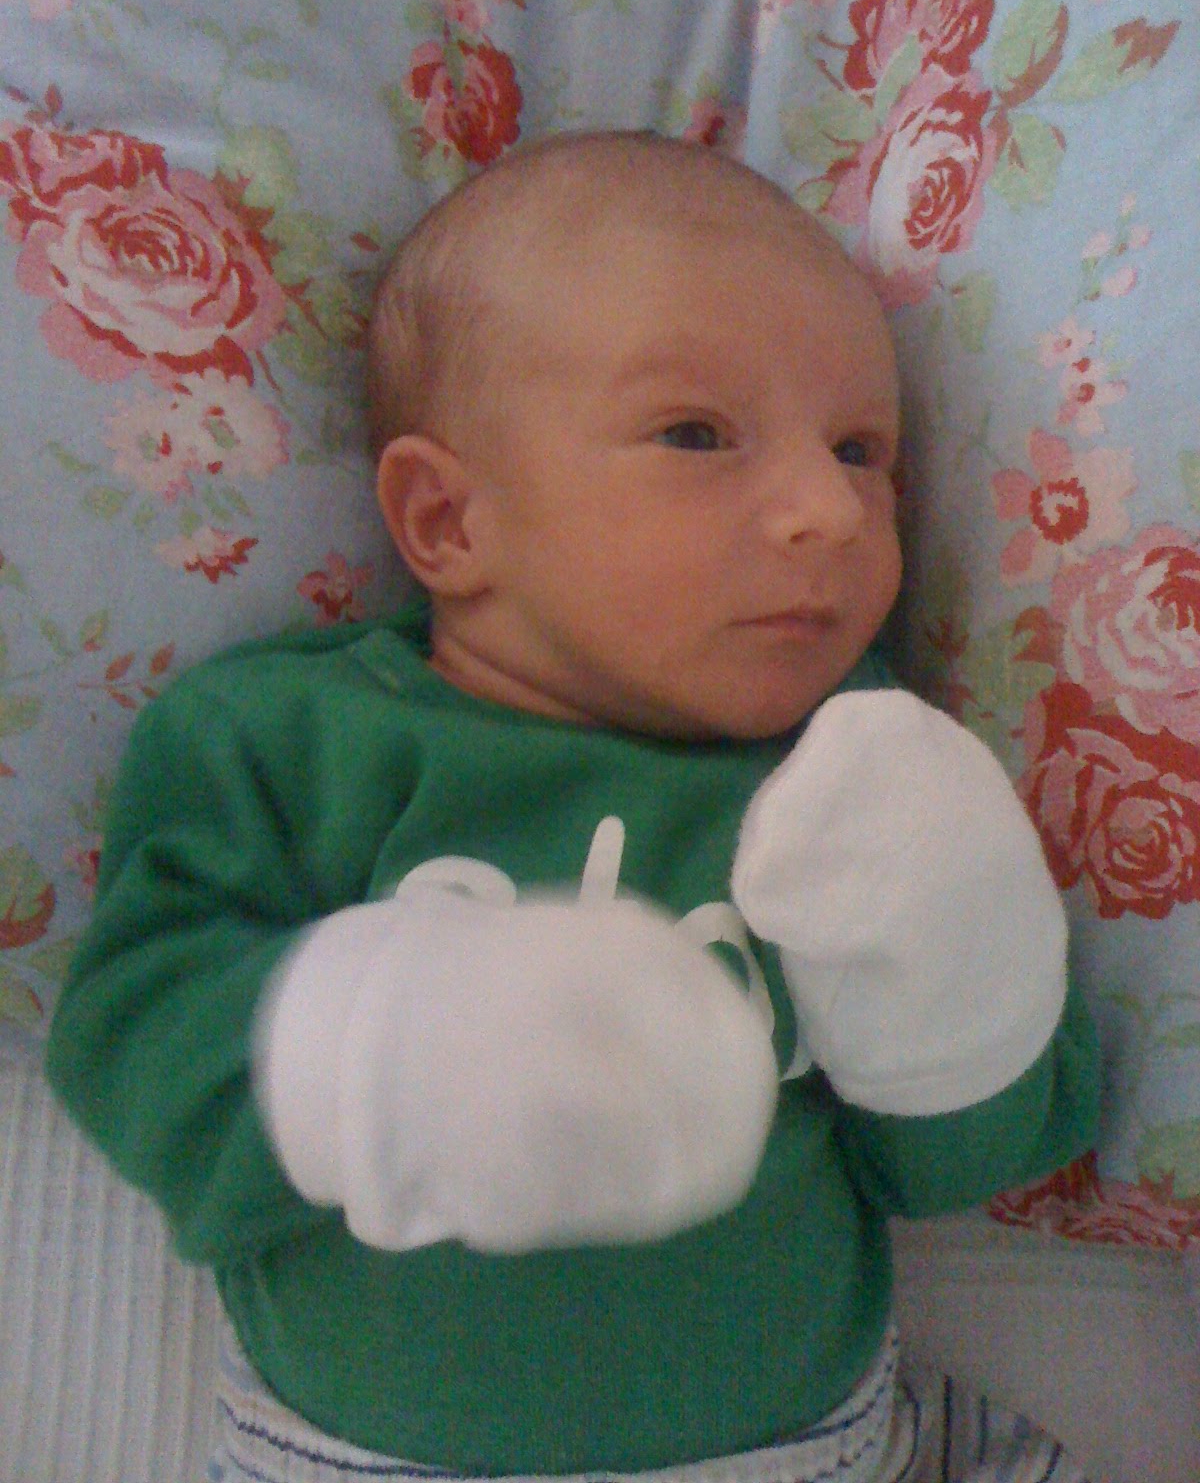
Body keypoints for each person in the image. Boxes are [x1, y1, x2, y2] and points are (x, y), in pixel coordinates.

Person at [46, 131, 1101, 1483]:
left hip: (820, 1449)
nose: (831, 511)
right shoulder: (287, 737)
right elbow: (128, 1042)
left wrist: (956, 978)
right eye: (697, 434)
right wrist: (382, 1058)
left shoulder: (858, 776)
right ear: (448, 520)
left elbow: (953, 1171)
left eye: (860, 450)